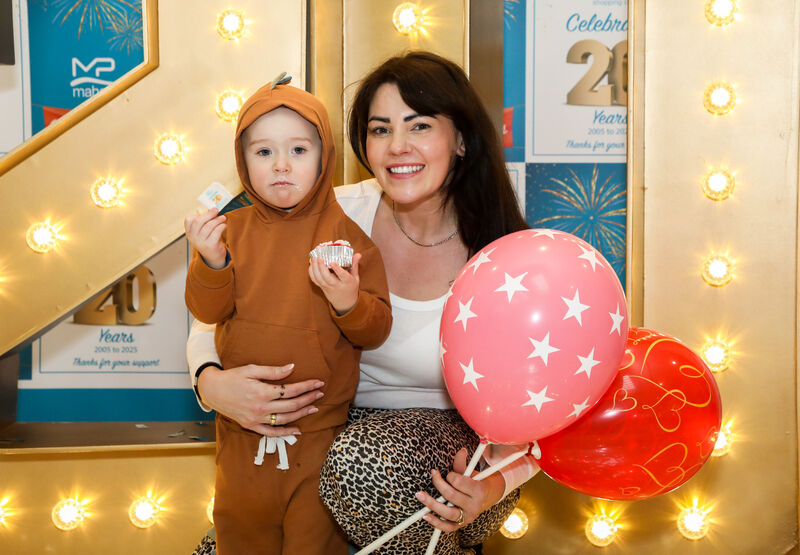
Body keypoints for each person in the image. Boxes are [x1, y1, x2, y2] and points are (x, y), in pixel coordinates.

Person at [187, 51, 539, 554]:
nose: (398, 146)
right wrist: (211, 383)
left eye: (418, 125)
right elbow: (214, 312)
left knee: (359, 463)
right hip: (320, 427)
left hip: (453, 456)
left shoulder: (504, 252)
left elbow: (543, 402)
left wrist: (491, 488)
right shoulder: (330, 211)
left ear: (461, 139)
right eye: (380, 129)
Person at [184, 76, 392, 555]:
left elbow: (377, 328)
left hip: (319, 434)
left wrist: (347, 303)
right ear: (243, 161)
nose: (281, 165)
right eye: (263, 153)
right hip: (240, 436)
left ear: (324, 157)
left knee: (313, 541)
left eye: (298, 150)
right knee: (240, 534)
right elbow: (207, 312)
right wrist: (211, 263)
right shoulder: (228, 231)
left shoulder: (348, 236)